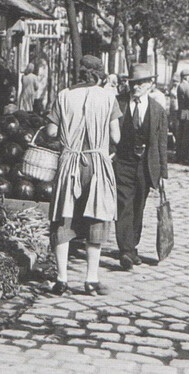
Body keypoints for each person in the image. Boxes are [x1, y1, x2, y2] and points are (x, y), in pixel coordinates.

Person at [46, 55, 121, 296]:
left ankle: (61, 279)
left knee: (64, 217)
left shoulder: (63, 95)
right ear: (100, 74)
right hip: (97, 164)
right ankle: (91, 280)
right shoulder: (109, 98)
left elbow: (51, 131)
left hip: (70, 163)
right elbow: (116, 137)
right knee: (96, 218)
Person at [115, 64, 168, 270]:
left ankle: (132, 246)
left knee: (139, 205)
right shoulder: (118, 104)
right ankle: (125, 250)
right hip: (122, 162)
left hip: (146, 165)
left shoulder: (157, 110)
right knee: (123, 204)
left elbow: (162, 143)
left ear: (150, 85)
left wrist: (163, 172)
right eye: (133, 83)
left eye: (141, 83)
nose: (136, 87)